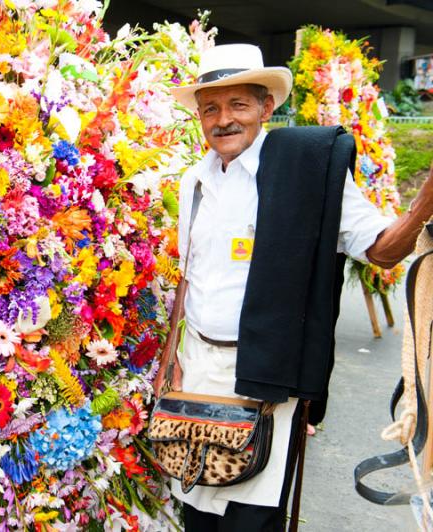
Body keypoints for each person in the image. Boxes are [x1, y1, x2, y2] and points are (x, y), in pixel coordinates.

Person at [156, 43, 433, 531]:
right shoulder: (193, 182)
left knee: (251, 516)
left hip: (263, 378)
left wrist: (424, 203)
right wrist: (169, 358)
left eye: (238, 104)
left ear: (267, 107)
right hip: (197, 371)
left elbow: (381, 250)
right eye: (211, 109)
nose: (223, 120)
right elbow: (188, 274)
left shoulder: (309, 173)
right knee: (196, 507)